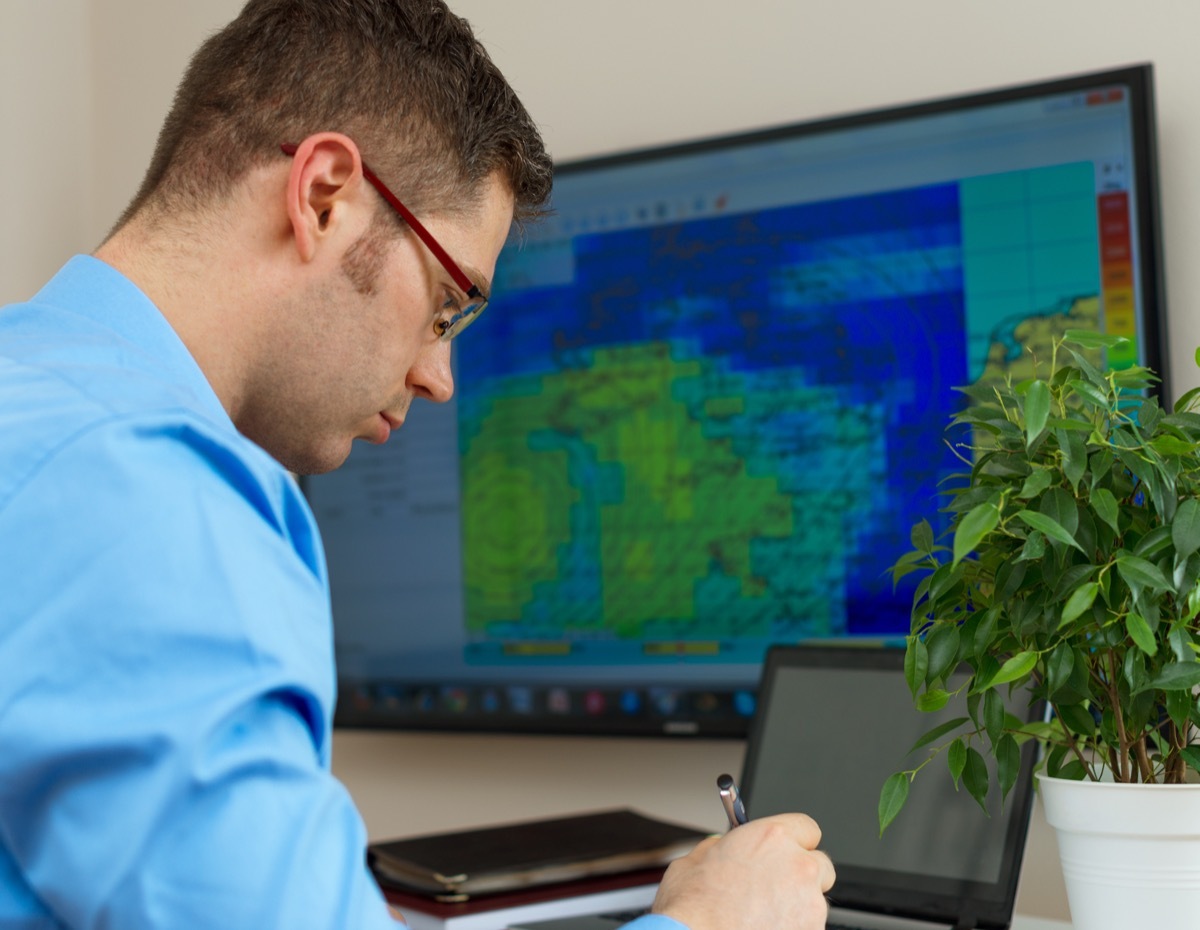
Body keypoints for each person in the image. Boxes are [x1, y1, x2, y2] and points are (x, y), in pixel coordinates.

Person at [0, 1, 835, 927]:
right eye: (447, 303)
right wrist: (709, 923)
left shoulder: (33, 401)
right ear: (323, 195)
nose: (440, 378)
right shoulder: (148, 498)